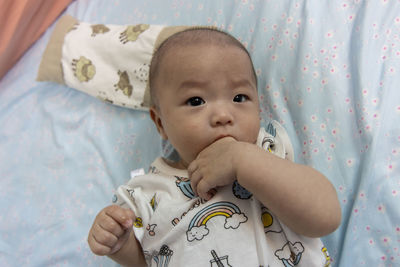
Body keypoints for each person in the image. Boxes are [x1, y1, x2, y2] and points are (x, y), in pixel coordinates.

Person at [87, 27, 341, 266]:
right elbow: (148, 261)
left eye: (239, 97)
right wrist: (121, 246)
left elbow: (326, 217)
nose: (222, 115)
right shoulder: (145, 194)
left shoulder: (266, 152)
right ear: (160, 122)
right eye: (196, 100)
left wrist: (244, 160)